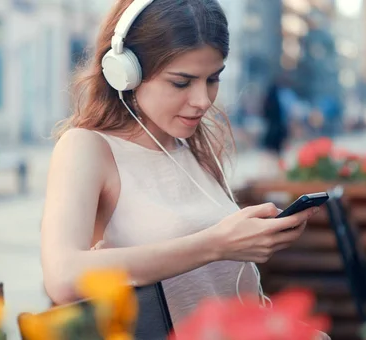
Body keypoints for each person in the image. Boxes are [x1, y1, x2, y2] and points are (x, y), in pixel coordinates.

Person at [40, 0, 321, 332]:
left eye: (212, 79)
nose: (203, 100)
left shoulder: (191, 146)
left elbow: (221, 291)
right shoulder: (87, 147)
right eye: (181, 82)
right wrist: (217, 244)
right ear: (125, 72)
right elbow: (62, 276)